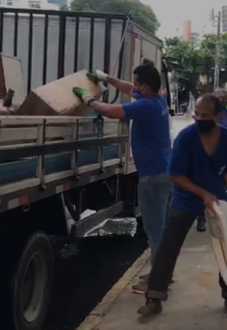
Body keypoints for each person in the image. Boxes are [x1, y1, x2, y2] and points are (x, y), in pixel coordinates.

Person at [137, 94, 227, 316]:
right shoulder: (186, 137)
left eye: (205, 115)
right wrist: (202, 194)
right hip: (187, 198)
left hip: (218, 198)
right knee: (168, 245)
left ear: (220, 115)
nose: (200, 119)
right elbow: (175, 175)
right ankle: (154, 297)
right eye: (197, 114)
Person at [74, 65, 173, 293]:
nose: (134, 87)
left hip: (153, 179)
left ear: (145, 87)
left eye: (138, 83)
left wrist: (89, 100)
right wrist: (106, 78)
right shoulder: (158, 100)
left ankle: (157, 282)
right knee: (164, 231)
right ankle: (165, 273)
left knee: (155, 232)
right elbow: (129, 88)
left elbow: (110, 111)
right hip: (165, 174)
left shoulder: (145, 106)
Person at [193, 88, 227, 233]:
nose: (221, 100)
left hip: (223, 160)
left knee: (221, 190)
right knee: (203, 188)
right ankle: (201, 217)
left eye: (224, 98)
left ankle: (220, 219)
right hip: (206, 157)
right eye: (218, 97)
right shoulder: (205, 116)